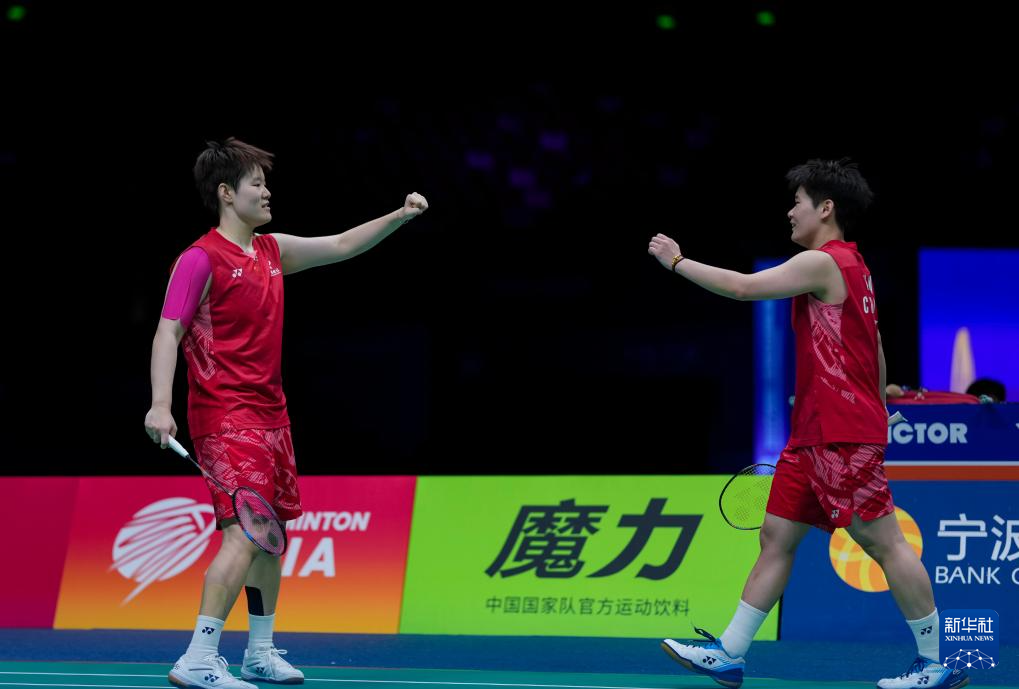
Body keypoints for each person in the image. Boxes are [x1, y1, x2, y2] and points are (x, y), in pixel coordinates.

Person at [648, 159, 967, 689]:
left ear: (826, 208)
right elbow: (875, 345)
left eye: (797, 202)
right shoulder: (856, 267)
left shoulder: (824, 261)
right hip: (813, 434)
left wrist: (677, 261)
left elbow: (744, 288)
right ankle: (729, 652)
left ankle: (933, 663)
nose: (790, 212)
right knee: (776, 536)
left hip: (840, 433)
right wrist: (877, 406)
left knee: (884, 542)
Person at [144, 138, 428, 689]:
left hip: (273, 416)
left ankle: (259, 652)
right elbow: (168, 330)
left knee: (270, 534)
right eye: (256, 183)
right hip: (225, 415)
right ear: (226, 194)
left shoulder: (271, 252)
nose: (267, 191)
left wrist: (398, 216)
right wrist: (160, 404)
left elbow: (341, 244)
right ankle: (198, 657)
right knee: (243, 534)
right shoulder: (200, 259)